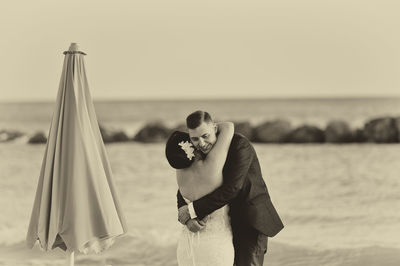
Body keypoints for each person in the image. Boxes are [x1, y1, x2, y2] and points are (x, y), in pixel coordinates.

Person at [177, 111, 284, 266]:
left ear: (214, 128)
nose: (201, 143)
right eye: (195, 138)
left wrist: (192, 211)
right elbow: (186, 182)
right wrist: (183, 211)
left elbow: (233, 188)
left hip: (250, 222)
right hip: (223, 226)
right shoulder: (197, 152)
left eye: (205, 135)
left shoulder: (240, 145)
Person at [165, 121, 235, 265]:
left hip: (187, 247)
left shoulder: (180, 173)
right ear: (193, 148)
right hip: (215, 247)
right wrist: (206, 130)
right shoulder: (211, 166)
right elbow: (228, 127)